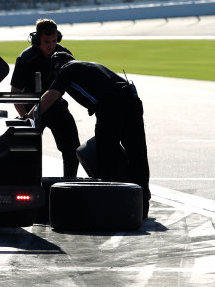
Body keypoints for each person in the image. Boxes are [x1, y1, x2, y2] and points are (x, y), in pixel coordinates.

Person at [26, 52, 151, 218]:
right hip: (133, 100)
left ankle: (112, 204)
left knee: (107, 155)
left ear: (56, 69)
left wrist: (28, 118)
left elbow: (51, 96)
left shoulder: (66, 68)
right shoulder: (88, 65)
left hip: (111, 106)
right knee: (137, 154)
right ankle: (142, 205)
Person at [10, 19, 80, 177]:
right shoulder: (26, 59)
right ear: (36, 40)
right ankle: (29, 183)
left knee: (72, 147)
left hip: (57, 106)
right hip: (31, 111)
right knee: (27, 150)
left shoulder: (63, 55)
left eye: (54, 41)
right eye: (46, 41)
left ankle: (69, 182)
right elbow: (15, 93)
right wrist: (25, 118)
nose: (51, 45)